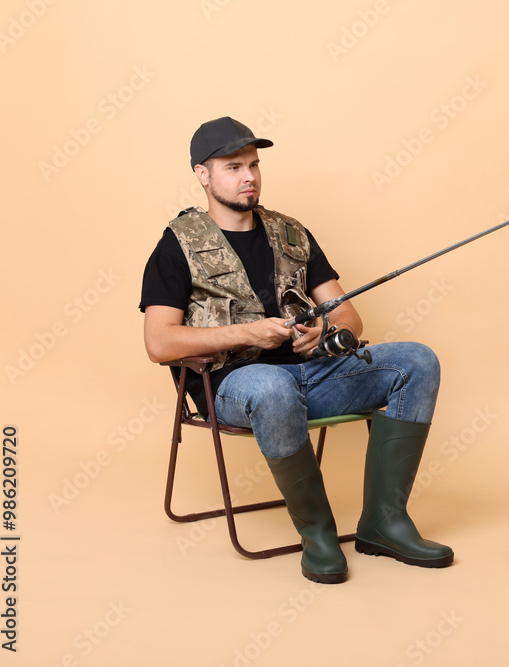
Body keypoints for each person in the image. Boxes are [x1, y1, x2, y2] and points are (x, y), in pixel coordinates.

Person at [139, 117, 453, 584]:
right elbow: (159, 342)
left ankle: (385, 523)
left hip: (313, 377)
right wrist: (248, 335)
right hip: (233, 386)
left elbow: (349, 317)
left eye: (253, 165)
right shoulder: (177, 245)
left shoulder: (292, 234)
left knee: (417, 361)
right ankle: (319, 534)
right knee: (270, 386)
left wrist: (322, 328)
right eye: (232, 167)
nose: (248, 177)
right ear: (203, 175)